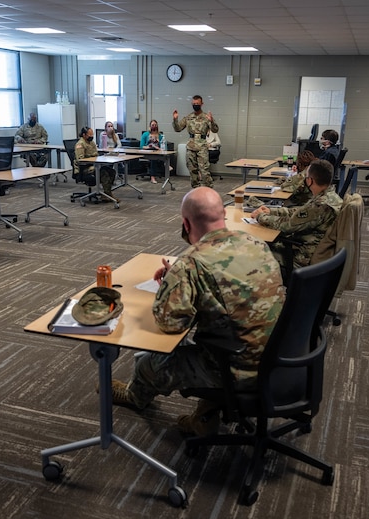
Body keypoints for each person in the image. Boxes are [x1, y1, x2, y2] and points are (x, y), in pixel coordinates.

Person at [109, 187, 285, 436]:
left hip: (239, 369)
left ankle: (135, 396)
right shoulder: (255, 242)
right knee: (209, 338)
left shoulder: (191, 262)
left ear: (186, 223)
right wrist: (181, 279)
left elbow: (170, 323)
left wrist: (171, 285)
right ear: (223, 213)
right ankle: (205, 417)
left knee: (149, 362)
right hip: (280, 355)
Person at [251, 159, 343, 276]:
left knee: (255, 249)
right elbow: (300, 212)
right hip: (315, 248)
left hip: (302, 255)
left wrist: (260, 216)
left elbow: (287, 225)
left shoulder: (320, 205)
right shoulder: (330, 196)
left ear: (310, 180)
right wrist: (272, 211)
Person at [172, 95, 219, 188]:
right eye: (194, 104)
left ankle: (209, 190)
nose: (195, 105)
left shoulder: (206, 117)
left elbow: (215, 130)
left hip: (202, 146)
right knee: (192, 169)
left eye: (197, 104)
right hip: (191, 146)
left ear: (202, 104)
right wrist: (175, 119)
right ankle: (195, 190)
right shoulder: (189, 117)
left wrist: (212, 121)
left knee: (204, 170)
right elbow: (178, 129)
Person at [73, 126, 117, 202]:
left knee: (111, 171)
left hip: (94, 165)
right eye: (89, 135)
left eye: (92, 135)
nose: (91, 137)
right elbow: (80, 160)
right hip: (84, 168)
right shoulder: (80, 144)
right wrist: (92, 157)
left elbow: (96, 154)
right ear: (84, 135)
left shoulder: (92, 143)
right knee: (104, 173)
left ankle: (106, 193)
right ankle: (108, 194)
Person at [140, 119, 163, 184]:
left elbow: (163, 145)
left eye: (155, 125)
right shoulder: (145, 134)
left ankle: (166, 163)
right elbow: (141, 146)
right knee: (154, 158)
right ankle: (152, 177)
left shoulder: (160, 135)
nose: (154, 126)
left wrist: (159, 148)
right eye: (152, 125)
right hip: (147, 151)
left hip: (157, 151)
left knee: (156, 155)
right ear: (150, 126)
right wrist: (149, 147)